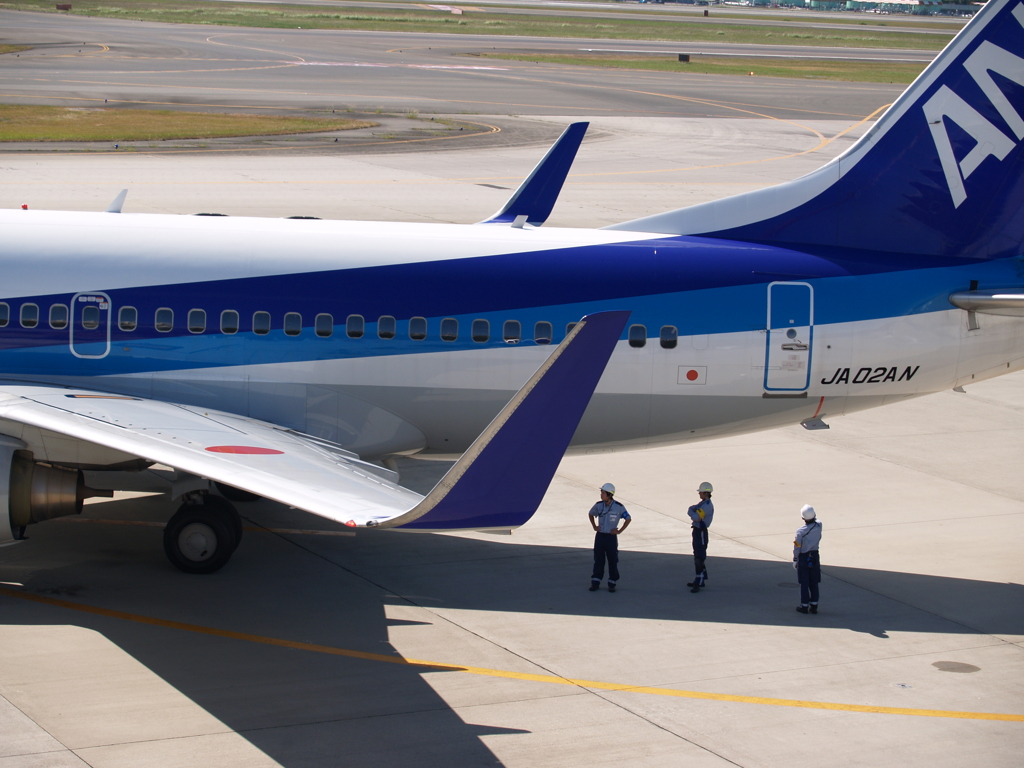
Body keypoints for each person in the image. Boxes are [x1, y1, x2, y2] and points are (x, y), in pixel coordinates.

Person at [588, 483, 631, 592]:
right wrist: (594, 526)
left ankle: (612, 582)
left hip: (611, 538)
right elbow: (591, 514)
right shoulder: (598, 505)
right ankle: (595, 582)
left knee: (612, 560)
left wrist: (619, 531)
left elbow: (628, 518)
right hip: (600, 537)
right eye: (601, 493)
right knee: (598, 560)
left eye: (603, 493)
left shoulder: (618, 507)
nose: (601, 495)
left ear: (609, 494)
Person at [793, 504, 822, 614]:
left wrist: (795, 559)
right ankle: (814, 605)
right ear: (814, 515)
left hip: (804, 557)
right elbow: (817, 520)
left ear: (802, 518)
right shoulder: (819, 525)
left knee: (804, 582)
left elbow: (797, 546)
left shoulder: (800, 531)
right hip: (814, 556)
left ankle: (804, 605)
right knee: (814, 581)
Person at [687, 482, 714, 593]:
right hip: (697, 531)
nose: (699, 494)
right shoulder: (702, 503)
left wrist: (692, 513)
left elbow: (696, 517)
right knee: (697, 555)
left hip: (701, 532)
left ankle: (699, 581)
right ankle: (700, 579)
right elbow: (691, 509)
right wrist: (692, 512)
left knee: (700, 557)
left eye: (701, 492)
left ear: (706, 493)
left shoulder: (707, 506)